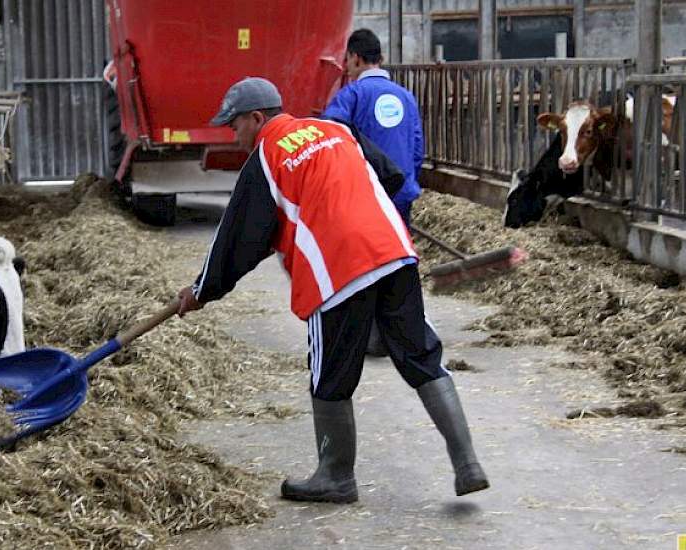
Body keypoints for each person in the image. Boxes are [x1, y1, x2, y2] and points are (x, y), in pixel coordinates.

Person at [176, 77, 489, 503]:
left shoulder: (266, 157)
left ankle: (336, 476)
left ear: (256, 118)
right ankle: (467, 463)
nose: (234, 134)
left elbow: (236, 240)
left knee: (329, 374)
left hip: (337, 270)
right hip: (392, 251)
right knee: (420, 354)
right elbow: (391, 176)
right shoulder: (335, 128)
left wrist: (202, 290)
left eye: (234, 125)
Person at [324, 28, 425, 357]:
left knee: (365, 267)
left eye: (347, 61)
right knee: (400, 264)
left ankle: (369, 337)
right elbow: (417, 148)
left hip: (365, 198)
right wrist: (407, 182)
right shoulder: (405, 97)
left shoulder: (351, 96)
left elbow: (332, 138)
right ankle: (403, 336)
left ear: (354, 57)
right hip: (402, 195)